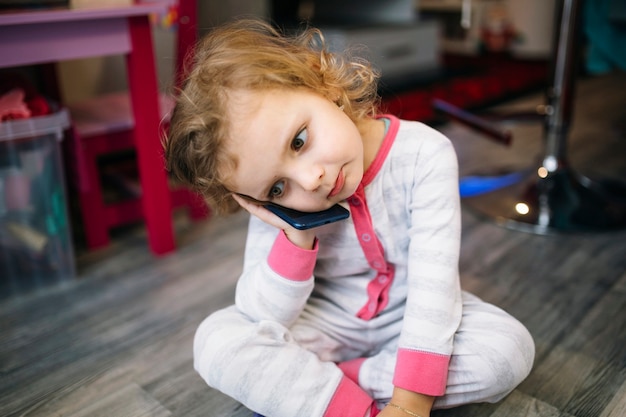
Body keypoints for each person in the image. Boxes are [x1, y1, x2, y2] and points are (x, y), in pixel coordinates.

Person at [164, 18, 535, 417]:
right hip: (325, 323)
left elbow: (434, 291)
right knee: (216, 341)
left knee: (507, 350)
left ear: (317, 82)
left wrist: (409, 405)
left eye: (299, 141)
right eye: (276, 189)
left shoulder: (425, 154)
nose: (311, 181)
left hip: (413, 315)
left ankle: (329, 387)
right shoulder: (285, 211)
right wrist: (293, 236)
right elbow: (262, 315)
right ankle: (355, 405)